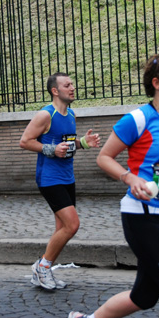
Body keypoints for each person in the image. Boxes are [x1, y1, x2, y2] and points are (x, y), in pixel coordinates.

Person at [69, 54, 159, 318]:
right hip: (142, 217)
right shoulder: (138, 119)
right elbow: (104, 157)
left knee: (145, 295)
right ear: (157, 83)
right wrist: (130, 178)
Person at [19, 72, 101, 290]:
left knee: (61, 229)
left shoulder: (71, 114)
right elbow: (25, 141)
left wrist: (83, 142)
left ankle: (42, 271)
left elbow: (66, 144)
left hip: (67, 176)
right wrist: (51, 149)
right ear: (55, 91)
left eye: (72, 83)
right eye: (67, 85)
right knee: (72, 225)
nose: (72, 87)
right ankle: (42, 267)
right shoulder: (46, 115)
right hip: (49, 177)